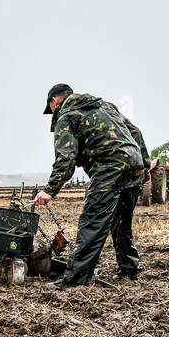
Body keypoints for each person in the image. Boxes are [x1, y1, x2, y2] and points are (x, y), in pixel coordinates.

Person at [34, 83, 149, 287]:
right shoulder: (105, 106)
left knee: (92, 223)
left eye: (50, 107)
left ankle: (74, 280)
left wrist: (50, 189)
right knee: (121, 222)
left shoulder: (66, 116)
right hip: (135, 164)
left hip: (110, 167)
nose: (52, 111)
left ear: (54, 101)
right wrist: (145, 167)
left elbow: (66, 157)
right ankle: (129, 270)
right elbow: (136, 132)